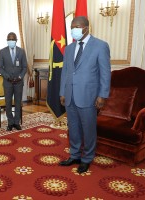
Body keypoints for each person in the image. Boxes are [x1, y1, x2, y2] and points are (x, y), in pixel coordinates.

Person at [59, 16, 111, 173]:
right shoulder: (69, 48)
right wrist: (62, 92)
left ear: (86, 28)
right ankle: (74, 155)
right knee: (73, 127)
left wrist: (103, 95)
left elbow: (105, 73)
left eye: (76, 27)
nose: (73, 30)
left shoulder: (100, 46)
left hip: (88, 96)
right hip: (70, 95)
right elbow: (65, 72)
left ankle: (87, 158)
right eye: (72, 27)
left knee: (88, 128)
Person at [0, 32, 27, 131]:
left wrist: (20, 77)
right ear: (7, 40)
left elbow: (24, 67)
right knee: (8, 103)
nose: (11, 41)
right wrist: (7, 77)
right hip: (8, 82)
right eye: (9, 39)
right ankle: (10, 122)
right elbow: (0, 67)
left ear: (16, 40)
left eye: (13, 39)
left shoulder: (21, 51)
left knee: (18, 102)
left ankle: (16, 122)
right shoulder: (2, 52)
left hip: (19, 82)